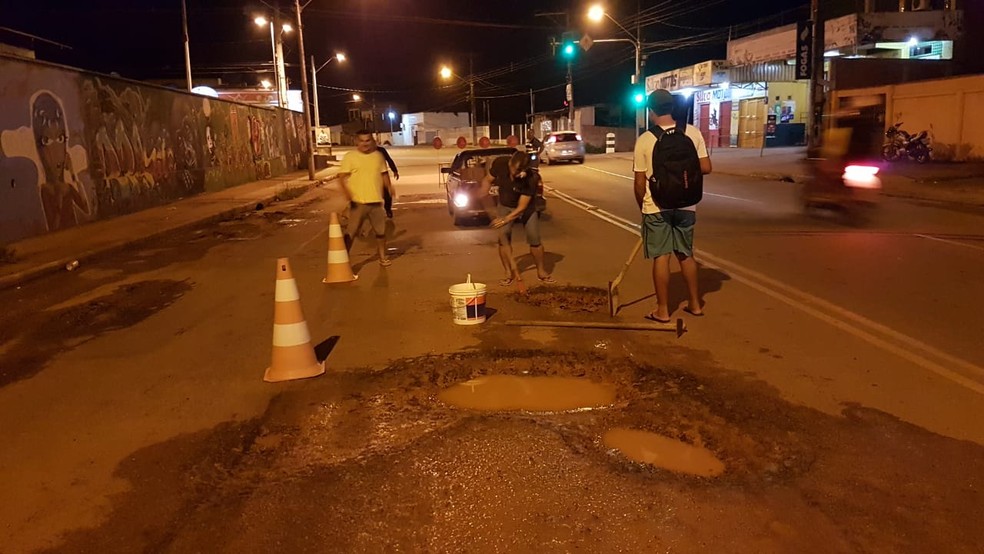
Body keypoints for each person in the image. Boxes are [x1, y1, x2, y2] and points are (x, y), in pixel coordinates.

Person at [633, 89, 712, 322]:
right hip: (687, 204)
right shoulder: (692, 132)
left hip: (657, 206)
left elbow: (639, 182)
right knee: (685, 254)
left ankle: (663, 310)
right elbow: (706, 167)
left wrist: (643, 207)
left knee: (661, 257)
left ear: (651, 110)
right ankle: (695, 304)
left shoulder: (646, 139)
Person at [485, 150, 555, 286]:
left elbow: (521, 208)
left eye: (518, 172)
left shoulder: (531, 178)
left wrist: (505, 219)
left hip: (526, 208)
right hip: (505, 204)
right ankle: (507, 273)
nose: (514, 173)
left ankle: (541, 271)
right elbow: (488, 180)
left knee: (534, 239)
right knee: (503, 239)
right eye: (512, 169)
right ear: (510, 162)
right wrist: (482, 191)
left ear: (524, 170)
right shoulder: (500, 163)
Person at [339, 129, 396, 266]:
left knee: (381, 232)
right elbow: (341, 177)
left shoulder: (378, 156)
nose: (365, 144)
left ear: (372, 141)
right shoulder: (350, 157)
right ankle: (342, 261)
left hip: (376, 202)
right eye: (362, 141)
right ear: (357, 142)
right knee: (351, 233)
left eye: (368, 140)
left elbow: (384, 174)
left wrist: (389, 187)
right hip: (358, 203)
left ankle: (382, 257)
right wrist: (348, 194)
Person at [373, 140, 399, 218]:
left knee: (387, 194)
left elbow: (389, 159)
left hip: (382, 175)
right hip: (370, 177)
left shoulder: (381, 151)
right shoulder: (364, 153)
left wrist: (395, 170)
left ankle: (388, 210)